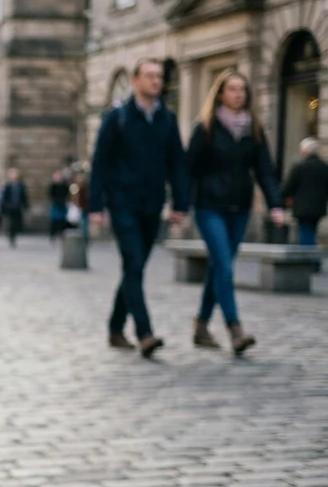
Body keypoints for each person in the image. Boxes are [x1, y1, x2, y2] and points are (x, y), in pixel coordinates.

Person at [89, 57, 189, 358]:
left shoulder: (166, 120)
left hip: (152, 203)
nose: (156, 81)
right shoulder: (117, 117)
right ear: (135, 81)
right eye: (149, 76)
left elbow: (177, 164)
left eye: (159, 76)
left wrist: (181, 203)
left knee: (135, 266)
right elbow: (100, 163)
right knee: (133, 262)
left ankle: (115, 326)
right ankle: (144, 333)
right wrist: (96, 205)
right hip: (122, 203)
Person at [186, 71, 284, 355]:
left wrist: (275, 204)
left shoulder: (253, 127)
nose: (239, 94)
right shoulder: (204, 127)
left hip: (240, 208)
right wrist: (180, 204)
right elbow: (188, 169)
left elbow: (264, 169)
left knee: (219, 266)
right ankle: (235, 329)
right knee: (225, 265)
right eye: (232, 89)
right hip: (209, 206)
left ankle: (201, 325)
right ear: (220, 94)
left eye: (243, 89)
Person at [282, 137, 327, 247]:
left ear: (304, 151)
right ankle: (311, 254)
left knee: (304, 232)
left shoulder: (300, 167)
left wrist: (284, 197)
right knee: (311, 231)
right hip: (318, 206)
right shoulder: (324, 167)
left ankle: (307, 258)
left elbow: (288, 186)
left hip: (302, 207)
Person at [0, 168, 29, 247]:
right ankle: (11, 236)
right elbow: (4, 197)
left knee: (17, 223)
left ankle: (14, 235)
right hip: (10, 207)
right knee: (12, 222)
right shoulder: (8, 186)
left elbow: (24, 196)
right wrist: (4, 206)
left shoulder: (21, 186)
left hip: (18, 207)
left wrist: (25, 205)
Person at [48, 169, 70, 240]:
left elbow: (67, 194)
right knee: (54, 220)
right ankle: (52, 234)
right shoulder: (53, 185)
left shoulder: (64, 185)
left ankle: (62, 233)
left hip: (62, 204)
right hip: (55, 204)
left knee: (62, 220)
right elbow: (51, 194)